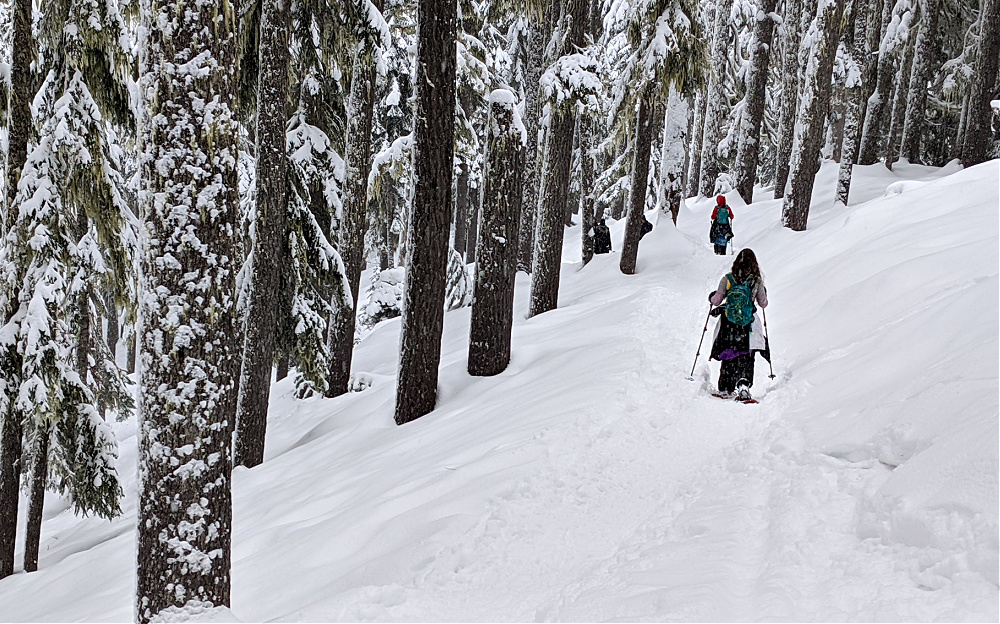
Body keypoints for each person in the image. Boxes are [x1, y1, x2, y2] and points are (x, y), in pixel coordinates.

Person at [708, 248, 769, 400]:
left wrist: (712, 298)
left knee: (729, 353)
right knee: (746, 355)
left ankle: (725, 388)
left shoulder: (728, 278)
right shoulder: (756, 280)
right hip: (748, 325)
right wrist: (763, 293)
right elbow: (763, 304)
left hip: (728, 324)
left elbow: (716, 300)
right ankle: (744, 385)